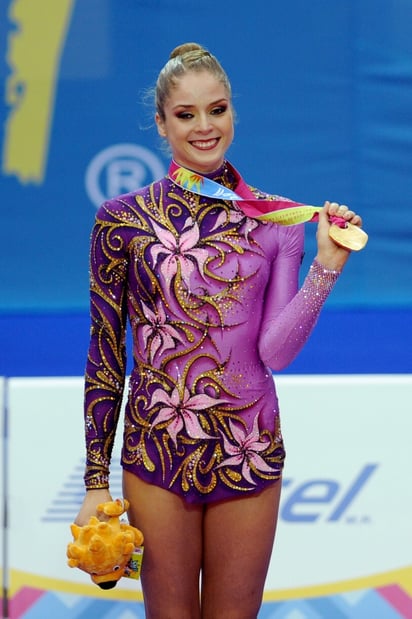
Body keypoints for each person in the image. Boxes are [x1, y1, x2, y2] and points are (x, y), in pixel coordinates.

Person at [75, 42, 363, 618]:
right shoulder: (122, 221)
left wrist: (325, 267)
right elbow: (105, 354)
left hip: (249, 448)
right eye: (186, 114)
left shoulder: (278, 222)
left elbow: (275, 353)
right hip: (157, 448)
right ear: (161, 123)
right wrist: (93, 481)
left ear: (233, 113)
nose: (205, 127)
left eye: (218, 109)